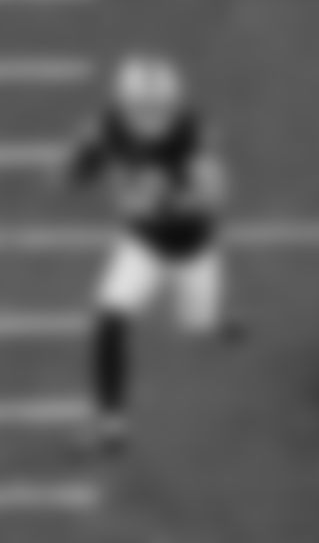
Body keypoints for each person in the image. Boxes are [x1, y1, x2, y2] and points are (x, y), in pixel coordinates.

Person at [64, 52, 235, 453]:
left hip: (193, 249)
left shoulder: (192, 136)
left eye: (159, 109)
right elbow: (80, 168)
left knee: (197, 327)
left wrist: (165, 200)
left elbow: (214, 198)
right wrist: (80, 163)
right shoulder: (108, 125)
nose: (150, 118)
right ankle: (111, 421)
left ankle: (211, 325)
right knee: (109, 316)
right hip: (143, 245)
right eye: (141, 109)